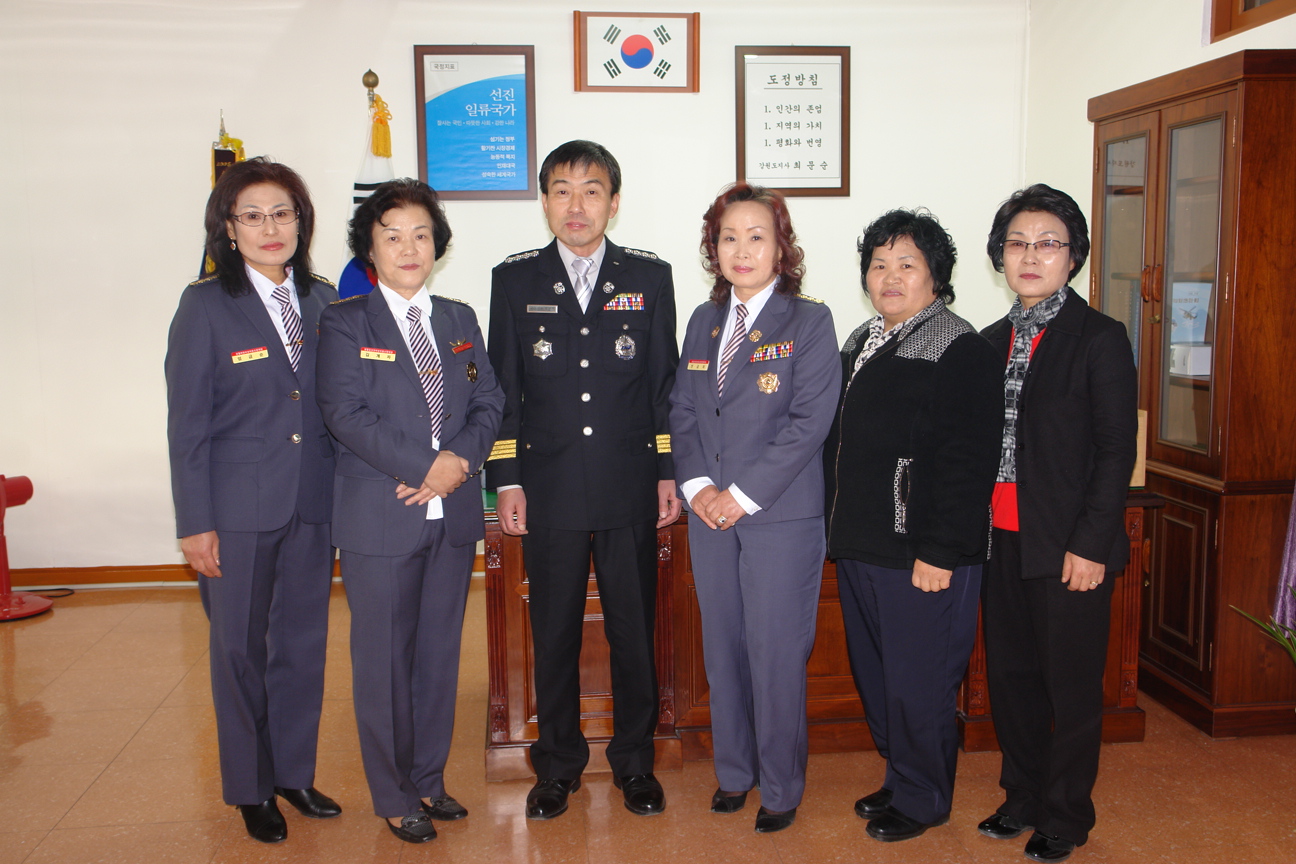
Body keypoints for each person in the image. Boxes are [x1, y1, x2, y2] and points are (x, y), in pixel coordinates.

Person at [486, 140, 680, 820]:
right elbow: (503, 391)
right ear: (544, 202)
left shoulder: (650, 277)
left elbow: (663, 388)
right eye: (562, 191)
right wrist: (508, 479)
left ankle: (635, 763)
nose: (577, 205)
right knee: (555, 634)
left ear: (613, 202)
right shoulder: (514, 280)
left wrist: (667, 470)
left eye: (591, 190)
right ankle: (557, 765)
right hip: (550, 489)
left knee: (633, 632)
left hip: (630, 485)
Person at [316, 178, 503, 843]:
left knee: (437, 658)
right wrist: (425, 466)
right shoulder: (344, 321)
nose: (408, 247)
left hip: (450, 517)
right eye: (392, 235)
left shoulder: (457, 319)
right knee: (383, 665)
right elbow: (344, 413)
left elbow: (490, 402)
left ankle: (429, 778)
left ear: (437, 244)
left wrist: (458, 463)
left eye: (421, 234)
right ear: (370, 248)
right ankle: (394, 795)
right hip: (380, 516)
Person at [165, 158, 341, 843]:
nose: (271, 227)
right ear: (229, 228)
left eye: (283, 213)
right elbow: (187, 426)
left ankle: (293, 773)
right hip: (235, 513)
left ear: (301, 222)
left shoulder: (326, 301)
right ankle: (249, 787)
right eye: (253, 215)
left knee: (301, 647)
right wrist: (195, 523)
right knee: (238, 650)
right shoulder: (205, 305)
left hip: (311, 505)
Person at [823, 209, 1003, 842]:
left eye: (907, 264)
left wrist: (941, 550)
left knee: (919, 682)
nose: (890, 276)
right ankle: (902, 776)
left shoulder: (959, 347)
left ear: (936, 276)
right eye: (879, 264)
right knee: (880, 677)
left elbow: (967, 460)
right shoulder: (861, 341)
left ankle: (925, 798)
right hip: (863, 543)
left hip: (923, 553)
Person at [669, 183, 840, 833]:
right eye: (728, 237)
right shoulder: (703, 320)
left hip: (778, 519)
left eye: (757, 237)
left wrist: (738, 497)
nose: (742, 250)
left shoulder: (809, 322)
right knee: (724, 650)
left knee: (775, 654)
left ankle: (781, 786)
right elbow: (682, 412)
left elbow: (808, 424)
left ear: (781, 247)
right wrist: (696, 488)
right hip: (709, 517)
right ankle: (735, 773)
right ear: (713, 248)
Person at [976, 184, 1137, 863]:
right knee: (1011, 680)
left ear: (1073, 257)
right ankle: (1023, 796)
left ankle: (1066, 815)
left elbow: (1115, 451)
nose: (1031, 255)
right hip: (998, 540)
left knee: (1069, 688)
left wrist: (1091, 544)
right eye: (1017, 243)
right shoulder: (989, 342)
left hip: (1069, 545)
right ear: (1000, 257)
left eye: (1048, 243)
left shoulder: (1099, 338)